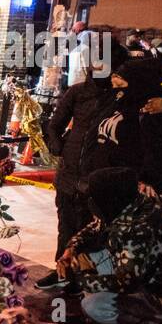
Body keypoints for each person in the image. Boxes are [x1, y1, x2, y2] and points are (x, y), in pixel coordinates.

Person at [58, 165, 162, 324]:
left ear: (111, 197)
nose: (90, 201)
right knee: (85, 258)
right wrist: (71, 249)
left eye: (94, 196)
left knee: (93, 305)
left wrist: (80, 276)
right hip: (142, 277)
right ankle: (115, 318)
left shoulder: (141, 227)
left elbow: (126, 281)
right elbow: (94, 228)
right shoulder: (125, 207)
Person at [38, 42, 119, 290]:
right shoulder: (76, 92)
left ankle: (84, 275)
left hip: (96, 175)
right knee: (66, 224)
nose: (96, 67)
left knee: (90, 230)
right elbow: (54, 124)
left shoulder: (117, 100)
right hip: (69, 171)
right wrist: (57, 145)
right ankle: (62, 270)